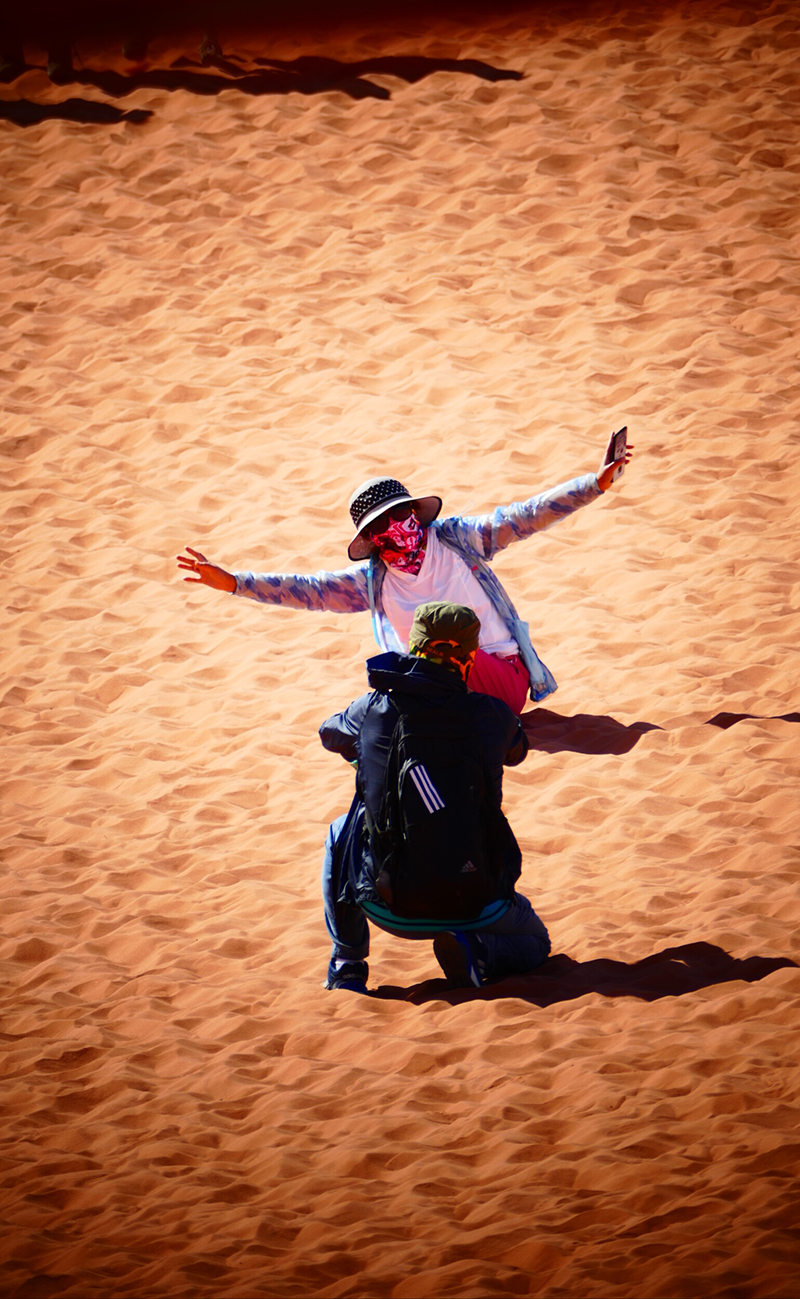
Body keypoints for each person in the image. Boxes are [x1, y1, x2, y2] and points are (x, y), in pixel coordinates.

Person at [177, 435, 633, 714]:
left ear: (417, 512)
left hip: (499, 678)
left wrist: (595, 484)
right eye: (381, 526)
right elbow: (309, 591)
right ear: (371, 539)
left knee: (416, 665)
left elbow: (527, 515)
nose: (396, 529)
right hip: (435, 696)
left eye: (401, 514)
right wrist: (234, 582)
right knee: (387, 690)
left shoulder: (460, 540)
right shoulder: (372, 584)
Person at [318, 601, 551, 993]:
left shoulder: (374, 707)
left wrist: (366, 752)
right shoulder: (491, 714)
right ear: (471, 658)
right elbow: (517, 749)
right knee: (534, 944)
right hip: (478, 902)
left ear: (413, 647)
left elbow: (330, 734)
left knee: (342, 829)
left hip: (387, 904)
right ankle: (477, 950)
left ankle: (348, 963)